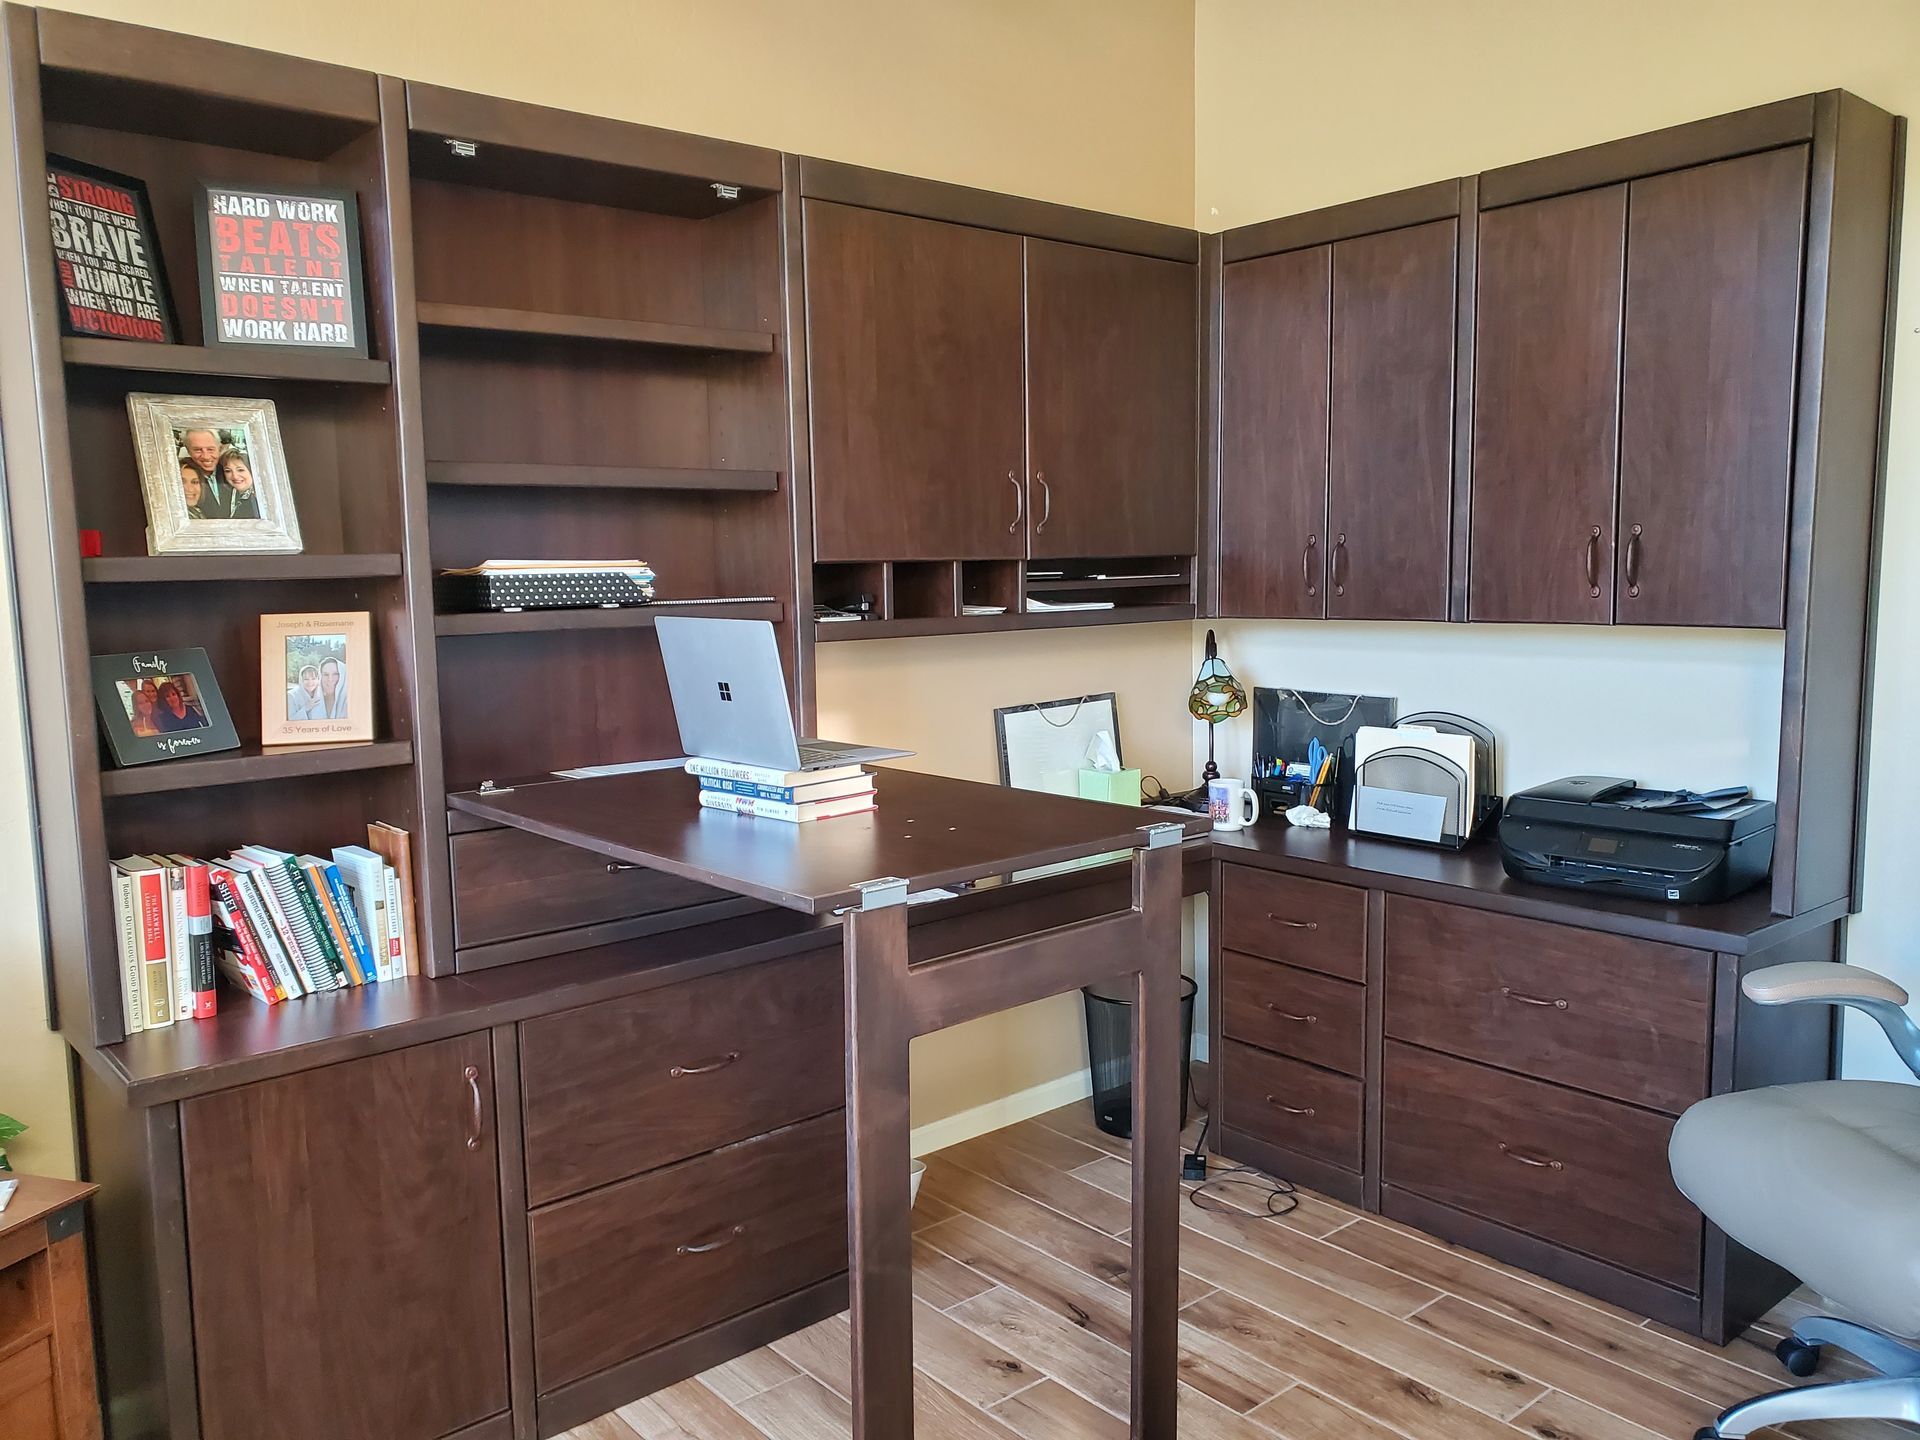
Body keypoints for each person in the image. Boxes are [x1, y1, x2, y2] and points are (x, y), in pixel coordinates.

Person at [178, 428, 232, 518]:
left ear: (220, 448)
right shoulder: (180, 475)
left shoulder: (232, 472)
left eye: (210, 449)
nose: (206, 456)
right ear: (188, 450)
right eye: (198, 450)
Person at [217, 448, 260, 520]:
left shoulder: (260, 500)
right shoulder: (226, 495)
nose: (235, 476)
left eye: (240, 470)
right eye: (228, 471)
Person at [315, 655, 348, 719]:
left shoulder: (352, 705)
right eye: (326, 674)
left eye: (335, 674)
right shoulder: (312, 704)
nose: (330, 679)